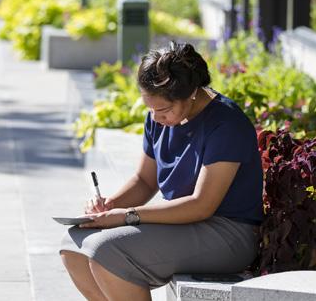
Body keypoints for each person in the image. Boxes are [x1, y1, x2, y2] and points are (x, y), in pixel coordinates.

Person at [60, 41, 264, 301]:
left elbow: (202, 205)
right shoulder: (159, 118)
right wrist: (108, 207)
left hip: (227, 233)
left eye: (163, 109)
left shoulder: (226, 124)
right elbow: (144, 181)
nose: (156, 118)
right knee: (74, 244)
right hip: (182, 224)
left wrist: (126, 216)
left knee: (107, 252)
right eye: (150, 108)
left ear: (191, 93)